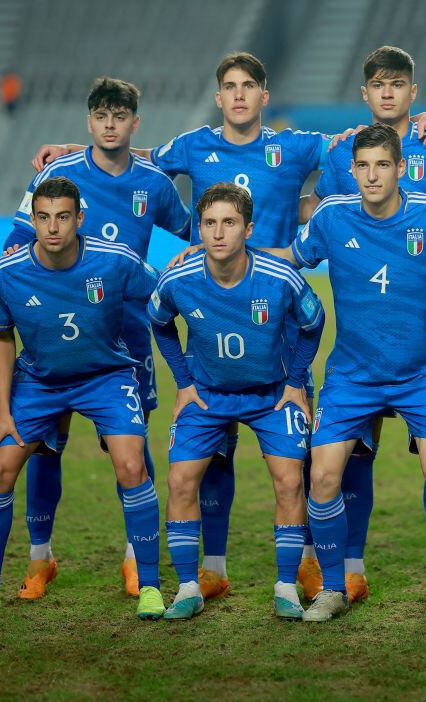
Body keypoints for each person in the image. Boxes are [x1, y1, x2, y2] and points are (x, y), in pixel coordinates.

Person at [33, 52, 426, 602]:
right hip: (215, 314)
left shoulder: (296, 145)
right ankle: (214, 565)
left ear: (263, 96)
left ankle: (309, 560)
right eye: (228, 86)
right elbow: (134, 156)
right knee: (213, 447)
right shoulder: (191, 146)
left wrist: (422, 129)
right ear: (218, 95)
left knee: (301, 452)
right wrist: (70, 151)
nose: (238, 96)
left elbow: (366, 148)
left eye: (248, 86)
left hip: (278, 317)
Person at [295, 45, 426, 604]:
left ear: (414, 90)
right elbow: (309, 221)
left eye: (398, 83)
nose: (388, 92)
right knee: (353, 453)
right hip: (361, 339)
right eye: (378, 84)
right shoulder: (343, 155)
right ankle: (347, 573)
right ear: (365, 94)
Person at [265, 124, 426, 623]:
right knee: (322, 477)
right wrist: (225, 252)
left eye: (381, 165)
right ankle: (334, 587)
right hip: (353, 375)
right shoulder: (332, 217)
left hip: (422, 372)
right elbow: (291, 259)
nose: (370, 175)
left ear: (400, 168)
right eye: (361, 166)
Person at [5, 77, 190, 601]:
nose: (110, 126)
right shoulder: (58, 172)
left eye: (120, 117)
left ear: (135, 123)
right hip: (55, 334)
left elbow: (193, 235)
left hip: (126, 332)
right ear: (89, 122)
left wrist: (182, 263)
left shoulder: (153, 183)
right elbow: (17, 243)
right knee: (43, 444)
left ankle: (136, 558)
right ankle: (41, 558)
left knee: (128, 445)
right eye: (101, 116)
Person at [0, 176, 164, 621]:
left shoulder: (115, 261)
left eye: (63, 217)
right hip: (39, 383)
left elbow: (166, 293)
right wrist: (1, 412)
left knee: (131, 463)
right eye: (44, 217)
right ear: (32, 219)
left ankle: (148, 582)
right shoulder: (8, 273)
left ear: (79, 219)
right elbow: (0, 337)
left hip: (106, 376)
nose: (53, 227)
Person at [149, 183, 324, 620]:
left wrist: (297, 381)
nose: (218, 233)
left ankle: (286, 586)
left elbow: (314, 321)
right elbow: (158, 320)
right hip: (207, 395)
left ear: (248, 228)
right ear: (199, 230)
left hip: (271, 394)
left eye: (229, 223)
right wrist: (183, 381)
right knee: (179, 481)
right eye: (209, 223)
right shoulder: (178, 279)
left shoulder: (279, 277)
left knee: (289, 481)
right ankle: (189, 586)